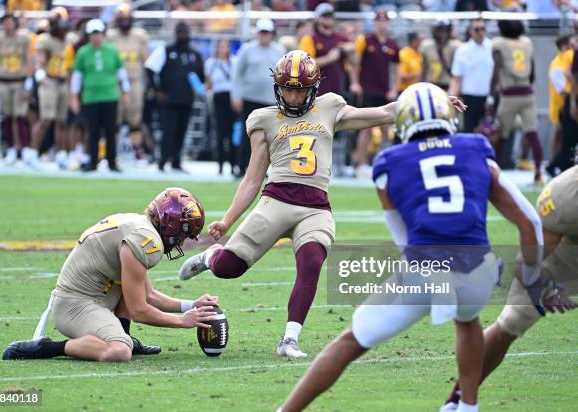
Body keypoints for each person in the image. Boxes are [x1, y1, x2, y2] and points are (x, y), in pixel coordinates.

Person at [178, 51, 468, 359]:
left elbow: (384, 111)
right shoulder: (263, 119)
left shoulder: (329, 107)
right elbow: (252, 179)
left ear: (313, 88)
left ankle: (289, 339)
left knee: (311, 263)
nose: (292, 95)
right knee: (229, 269)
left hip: (316, 207)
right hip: (275, 200)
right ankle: (212, 258)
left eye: (299, 88)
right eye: (287, 88)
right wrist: (228, 221)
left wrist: (432, 106)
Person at [279, 82, 542, 412]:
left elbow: (403, 238)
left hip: (426, 268)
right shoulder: (476, 147)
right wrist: (531, 279)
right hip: (478, 268)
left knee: (351, 341)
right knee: (468, 317)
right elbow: (529, 221)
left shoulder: (390, 162)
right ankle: (466, 407)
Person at [2, 188, 220, 362]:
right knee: (119, 351)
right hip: (75, 305)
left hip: (93, 297)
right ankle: (46, 347)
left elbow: (149, 295)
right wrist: (182, 321)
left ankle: (125, 336)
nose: (181, 242)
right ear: (171, 225)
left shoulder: (140, 227)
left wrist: (192, 305)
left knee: (129, 289)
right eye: (183, 234)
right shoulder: (146, 241)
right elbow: (139, 309)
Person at [440, 165, 578, 411]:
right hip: (569, 251)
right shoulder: (566, 195)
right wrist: (541, 288)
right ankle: (458, 399)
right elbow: (528, 262)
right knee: (514, 320)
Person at [70, 19, 129, 173]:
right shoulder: (83, 52)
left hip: (110, 95)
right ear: (89, 35)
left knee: (110, 130)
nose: (96, 37)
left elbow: (121, 73)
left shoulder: (112, 50)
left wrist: (126, 91)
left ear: (103, 34)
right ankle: (93, 161)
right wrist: (74, 97)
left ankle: (112, 162)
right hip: (90, 97)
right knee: (93, 130)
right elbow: (77, 77)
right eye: (93, 34)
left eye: (99, 33)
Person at [145, 22, 203, 173]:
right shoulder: (166, 50)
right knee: (168, 131)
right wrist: (157, 90)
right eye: (179, 32)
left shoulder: (194, 54)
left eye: (184, 32)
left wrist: (199, 89)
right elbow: (150, 68)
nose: (182, 34)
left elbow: (200, 76)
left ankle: (177, 162)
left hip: (186, 99)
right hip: (168, 100)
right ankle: (162, 161)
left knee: (181, 131)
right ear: (175, 33)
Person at [490, 20, 543, 184]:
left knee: (501, 136)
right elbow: (532, 71)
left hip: (509, 95)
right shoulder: (526, 43)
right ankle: (538, 173)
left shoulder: (499, 44)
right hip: (527, 93)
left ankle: (494, 173)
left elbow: (497, 68)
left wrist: (491, 95)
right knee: (532, 134)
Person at [231, 18, 285, 177]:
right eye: (262, 32)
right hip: (249, 98)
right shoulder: (247, 50)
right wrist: (236, 96)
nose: (264, 35)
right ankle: (241, 167)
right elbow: (237, 75)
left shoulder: (279, 51)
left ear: (272, 34)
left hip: (270, 100)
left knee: (269, 136)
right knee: (247, 134)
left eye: (267, 32)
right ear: (257, 33)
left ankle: (263, 169)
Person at [352, 10, 400, 170]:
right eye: (379, 21)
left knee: (387, 129)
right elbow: (355, 63)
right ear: (374, 23)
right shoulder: (365, 40)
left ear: (388, 23)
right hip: (368, 90)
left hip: (385, 91)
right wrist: (355, 83)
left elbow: (396, 69)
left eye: (384, 20)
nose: (382, 23)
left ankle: (386, 164)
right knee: (366, 128)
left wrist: (394, 88)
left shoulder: (393, 44)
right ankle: (361, 163)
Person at [30, 7, 74, 169]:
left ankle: (62, 154)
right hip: (50, 81)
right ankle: (33, 152)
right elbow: (39, 60)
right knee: (46, 119)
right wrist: (40, 75)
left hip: (64, 82)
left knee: (63, 121)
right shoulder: (45, 39)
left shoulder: (70, 39)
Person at [107, 3, 150, 162]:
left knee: (135, 120)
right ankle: (113, 154)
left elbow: (146, 61)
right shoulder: (111, 36)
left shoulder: (139, 36)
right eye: (121, 18)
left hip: (134, 82)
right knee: (115, 120)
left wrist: (149, 84)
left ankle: (138, 151)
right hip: (115, 83)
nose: (125, 21)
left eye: (127, 18)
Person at [0, 13, 32, 166]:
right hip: (4, 81)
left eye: (10, 22)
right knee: (7, 116)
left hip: (19, 81)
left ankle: (25, 149)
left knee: (20, 115)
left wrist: (28, 83)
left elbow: (28, 61)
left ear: (15, 24)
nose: (7, 25)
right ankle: (12, 148)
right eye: (5, 23)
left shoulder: (23, 38)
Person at [299, 3, 357, 97]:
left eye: (330, 15)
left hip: (339, 91)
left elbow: (355, 63)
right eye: (324, 15)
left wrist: (352, 51)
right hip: (317, 92)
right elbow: (305, 66)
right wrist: (329, 58)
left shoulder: (341, 38)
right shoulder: (310, 39)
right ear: (317, 18)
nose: (328, 18)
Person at [449, 18, 494, 133]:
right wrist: (451, 98)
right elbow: (457, 78)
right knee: (469, 131)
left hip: (490, 98)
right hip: (470, 98)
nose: (480, 32)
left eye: (483, 29)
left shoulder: (493, 47)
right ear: (470, 31)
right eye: (477, 29)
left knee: (491, 133)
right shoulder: (463, 50)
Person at [205, 39, 236, 175]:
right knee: (219, 131)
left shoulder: (234, 62)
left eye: (225, 46)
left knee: (232, 132)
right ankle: (220, 164)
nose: (223, 49)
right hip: (218, 97)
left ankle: (233, 163)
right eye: (220, 46)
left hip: (232, 97)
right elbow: (208, 83)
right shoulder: (211, 63)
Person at [546, 35, 574, 176]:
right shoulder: (556, 65)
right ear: (563, 47)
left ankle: (553, 164)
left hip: (566, 106)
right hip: (561, 107)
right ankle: (552, 164)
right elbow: (562, 90)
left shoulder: (565, 61)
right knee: (561, 138)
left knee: (564, 138)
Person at [421, 19, 460, 91]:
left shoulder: (456, 46)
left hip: (449, 84)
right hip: (431, 84)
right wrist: (421, 84)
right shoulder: (427, 46)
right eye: (440, 30)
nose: (442, 33)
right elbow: (424, 67)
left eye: (445, 30)